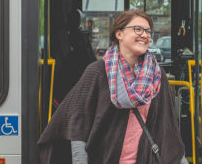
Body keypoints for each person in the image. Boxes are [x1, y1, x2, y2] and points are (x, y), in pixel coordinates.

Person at [38, 9, 188, 164]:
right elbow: (79, 127)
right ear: (119, 34)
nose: (145, 35)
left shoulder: (157, 75)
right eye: (138, 29)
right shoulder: (97, 72)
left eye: (148, 31)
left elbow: (168, 129)